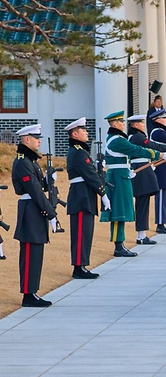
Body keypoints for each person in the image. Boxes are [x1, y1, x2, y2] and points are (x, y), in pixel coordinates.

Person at [101, 112, 163, 258]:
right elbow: (136, 149)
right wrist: (157, 154)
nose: (123, 124)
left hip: (122, 175)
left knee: (121, 211)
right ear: (114, 124)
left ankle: (120, 244)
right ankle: (118, 245)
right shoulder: (117, 140)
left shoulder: (117, 138)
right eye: (121, 121)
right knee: (118, 212)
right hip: (117, 178)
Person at [13, 125, 59, 307]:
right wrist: (51, 214)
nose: (39, 140)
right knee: (31, 252)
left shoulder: (31, 161)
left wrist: (49, 181)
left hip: (34, 207)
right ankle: (28, 294)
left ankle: (32, 291)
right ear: (26, 139)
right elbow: (34, 191)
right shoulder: (23, 161)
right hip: (30, 208)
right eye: (35, 137)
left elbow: (40, 187)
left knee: (36, 251)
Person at [65, 118, 107, 279]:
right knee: (81, 232)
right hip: (81, 196)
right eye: (83, 130)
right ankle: (78, 267)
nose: (87, 132)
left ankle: (82, 265)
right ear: (75, 134)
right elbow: (90, 175)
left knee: (86, 232)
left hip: (84, 194)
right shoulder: (78, 152)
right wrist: (103, 193)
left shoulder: (80, 151)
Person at [128, 113, 166, 246]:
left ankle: (142, 234)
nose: (144, 125)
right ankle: (141, 235)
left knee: (143, 203)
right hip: (141, 169)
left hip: (144, 167)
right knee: (142, 203)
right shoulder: (137, 137)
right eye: (142, 123)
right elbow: (152, 145)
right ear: (136, 125)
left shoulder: (136, 136)